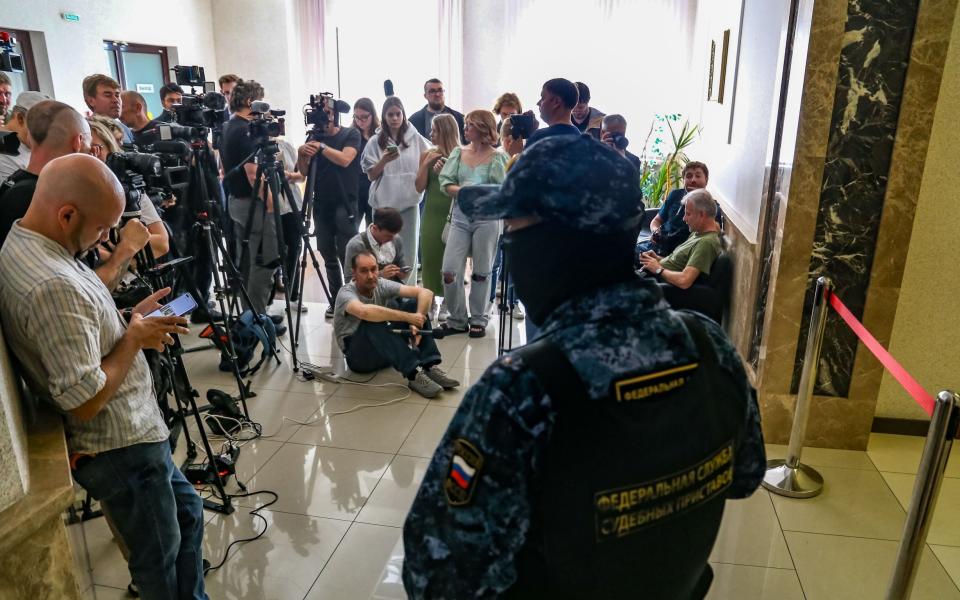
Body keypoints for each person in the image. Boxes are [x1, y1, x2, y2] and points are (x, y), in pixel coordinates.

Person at [402, 135, 765, 598]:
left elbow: (437, 578)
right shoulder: (709, 345)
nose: (510, 244)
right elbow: (746, 475)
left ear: (553, 241)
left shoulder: (521, 390)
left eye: (514, 227)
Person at [0, 153, 207, 599]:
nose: (107, 239)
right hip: (121, 445)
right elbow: (85, 400)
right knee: (159, 563)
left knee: (188, 513)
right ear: (67, 213)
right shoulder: (51, 284)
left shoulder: (31, 241)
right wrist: (133, 339)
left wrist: (130, 320)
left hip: (136, 429)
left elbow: (79, 326)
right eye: (100, 229)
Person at [334, 250, 460, 398]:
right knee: (372, 320)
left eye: (374, 269)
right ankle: (413, 375)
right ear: (353, 273)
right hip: (359, 359)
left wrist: (417, 320)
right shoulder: (346, 293)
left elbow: (425, 293)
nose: (370, 275)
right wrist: (408, 318)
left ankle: (429, 366)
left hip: (384, 352)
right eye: (363, 271)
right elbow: (364, 312)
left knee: (415, 304)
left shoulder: (380, 283)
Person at [438, 110, 509, 338]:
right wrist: (467, 192)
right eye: (466, 124)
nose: (465, 128)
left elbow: (503, 190)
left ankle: (478, 317)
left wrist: (475, 193)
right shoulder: (458, 153)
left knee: (481, 271)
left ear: (482, 128)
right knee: (449, 270)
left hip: (488, 219)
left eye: (469, 125)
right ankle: (457, 318)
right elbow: (446, 182)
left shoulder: (498, 157)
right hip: (459, 215)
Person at [219, 80, 283, 317]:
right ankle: (256, 317)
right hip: (253, 203)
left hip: (236, 200)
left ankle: (253, 314)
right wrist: (270, 208)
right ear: (250, 102)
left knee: (247, 259)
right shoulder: (244, 130)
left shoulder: (227, 126)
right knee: (263, 260)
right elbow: (252, 172)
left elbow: (224, 168)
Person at [297, 95, 361, 317]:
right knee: (327, 253)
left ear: (336, 114)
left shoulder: (350, 134)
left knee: (348, 254)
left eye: (328, 112)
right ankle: (335, 302)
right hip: (321, 203)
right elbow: (303, 173)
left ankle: (353, 302)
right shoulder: (313, 137)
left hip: (345, 202)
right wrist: (301, 154)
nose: (325, 117)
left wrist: (322, 147)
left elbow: (345, 159)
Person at [361, 97, 431, 286]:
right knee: (383, 253)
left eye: (398, 114)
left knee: (408, 253)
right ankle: (384, 294)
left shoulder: (415, 138)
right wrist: (384, 160)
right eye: (390, 114)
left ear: (403, 114)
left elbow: (430, 156)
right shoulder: (375, 141)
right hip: (384, 206)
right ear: (384, 117)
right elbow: (371, 176)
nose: (394, 118)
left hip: (409, 203)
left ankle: (407, 296)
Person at [88, 118, 170, 258]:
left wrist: (116, 252)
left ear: (110, 149)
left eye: (96, 148)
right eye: (85, 149)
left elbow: (161, 243)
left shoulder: (132, 189)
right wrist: (129, 247)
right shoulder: (74, 194)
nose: (90, 155)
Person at [416, 113, 460, 317]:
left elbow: (463, 187)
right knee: (430, 257)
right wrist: (426, 165)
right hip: (431, 213)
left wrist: (445, 173)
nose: (430, 133)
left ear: (444, 131)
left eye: (434, 130)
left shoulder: (461, 155)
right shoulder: (427, 153)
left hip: (453, 212)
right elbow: (419, 187)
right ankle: (430, 300)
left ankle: (448, 302)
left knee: (451, 260)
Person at [639, 188, 723, 290]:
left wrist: (657, 269)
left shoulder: (706, 243)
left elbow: (684, 281)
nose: (684, 219)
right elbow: (677, 264)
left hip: (659, 285)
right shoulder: (697, 233)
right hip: (652, 275)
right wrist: (656, 259)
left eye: (688, 213)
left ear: (702, 214)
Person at [639, 161, 710, 257]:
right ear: (683, 180)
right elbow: (656, 220)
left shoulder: (710, 207)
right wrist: (655, 232)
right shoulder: (675, 195)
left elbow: (704, 241)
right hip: (655, 246)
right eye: (688, 176)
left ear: (706, 179)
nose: (693, 180)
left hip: (677, 256)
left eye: (698, 176)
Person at [344, 207, 408, 282]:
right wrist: (380, 275)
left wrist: (403, 273)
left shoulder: (396, 239)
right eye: (388, 236)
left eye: (394, 235)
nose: (392, 239)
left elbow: (402, 266)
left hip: (393, 288)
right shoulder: (356, 245)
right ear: (375, 228)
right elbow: (349, 280)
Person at [0, 91, 50, 181]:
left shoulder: (27, 143)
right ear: (20, 119)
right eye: (40, 124)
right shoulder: (3, 149)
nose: (45, 131)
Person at [525, 78, 581, 148]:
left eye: (542, 98)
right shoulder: (578, 136)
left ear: (556, 102)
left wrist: (514, 153)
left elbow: (527, 158)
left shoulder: (540, 138)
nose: (538, 103)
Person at [408, 78, 465, 143]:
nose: (437, 94)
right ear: (425, 95)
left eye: (440, 90)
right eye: (432, 91)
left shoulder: (459, 118)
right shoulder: (414, 120)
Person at [351, 97, 379, 227]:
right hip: (356, 186)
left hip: (375, 185)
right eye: (356, 117)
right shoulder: (351, 135)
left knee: (373, 227)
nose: (360, 121)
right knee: (351, 227)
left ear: (372, 114)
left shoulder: (380, 135)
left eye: (364, 117)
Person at [82, 74, 134, 143]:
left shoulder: (125, 129)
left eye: (117, 95)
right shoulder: (85, 130)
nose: (116, 100)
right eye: (108, 95)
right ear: (91, 101)